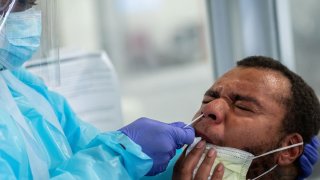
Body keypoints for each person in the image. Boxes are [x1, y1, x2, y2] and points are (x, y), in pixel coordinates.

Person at [0, 0, 195, 179]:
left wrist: (178, 164)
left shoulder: (20, 87)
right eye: (19, 3)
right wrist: (120, 156)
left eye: (31, 3)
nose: (28, 13)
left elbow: (86, 145)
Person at [144, 56, 320, 180]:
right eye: (208, 99)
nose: (209, 109)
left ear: (289, 149)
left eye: (243, 106)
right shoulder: (152, 170)